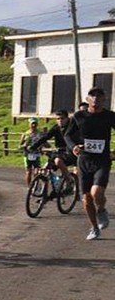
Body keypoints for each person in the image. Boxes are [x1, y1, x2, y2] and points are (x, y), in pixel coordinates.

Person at [65, 87, 115, 240]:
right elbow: (67, 135)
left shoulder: (110, 116)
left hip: (102, 160)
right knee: (86, 198)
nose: (96, 99)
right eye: (92, 96)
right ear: (88, 99)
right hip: (84, 161)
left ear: (104, 99)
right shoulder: (79, 116)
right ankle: (94, 227)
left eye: (99, 96)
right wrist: (73, 146)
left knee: (96, 193)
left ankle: (101, 210)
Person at [31, 110, 74, 178]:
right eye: (58, 119)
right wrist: (34, 146)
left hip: (70, 152)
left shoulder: (72, 127)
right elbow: (46, 136)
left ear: (67, 118)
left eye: (62, 118)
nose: (60, 120)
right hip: (59, 152)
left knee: (58, 161)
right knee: (45, 167)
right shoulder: (56, 128)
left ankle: (68, 178)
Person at [19, 118, 43, 187]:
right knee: (29, 172)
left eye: (35, 123)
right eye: (32, 123)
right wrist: (24, 146)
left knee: (37, 171)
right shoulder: (25, 134)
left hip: (36, 154)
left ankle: (35, 185)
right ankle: (29, 186)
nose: (33, 125)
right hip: (27, 155)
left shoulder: (40, 134)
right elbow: (20, 145)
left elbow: (45, 143)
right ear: (29, 124)